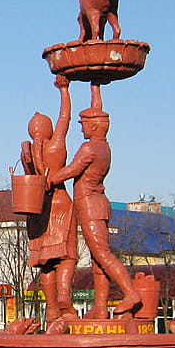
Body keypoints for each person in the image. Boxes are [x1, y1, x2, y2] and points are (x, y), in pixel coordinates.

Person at [48, 85, 140, 318]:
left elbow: (72, 169)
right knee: (97, 259)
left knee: (102, 255)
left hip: (90, 206)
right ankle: (100, 308)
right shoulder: (103, 145)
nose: (82, 130)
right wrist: (95, 86)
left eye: (85, 125)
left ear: (95, 126)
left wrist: (51, 178)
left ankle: (130, 292)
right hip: (98, 204)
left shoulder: (89, 148)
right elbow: (98, 110)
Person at [22, 74, 78, 324]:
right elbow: (65, 117)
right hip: (61, 204)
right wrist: (64, 90)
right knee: (66, 256)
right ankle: (65, 298)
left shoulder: (27, 153)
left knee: (45, 264)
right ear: (48, 128)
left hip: (37, 209)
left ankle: (52, 309)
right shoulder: (56, 145)